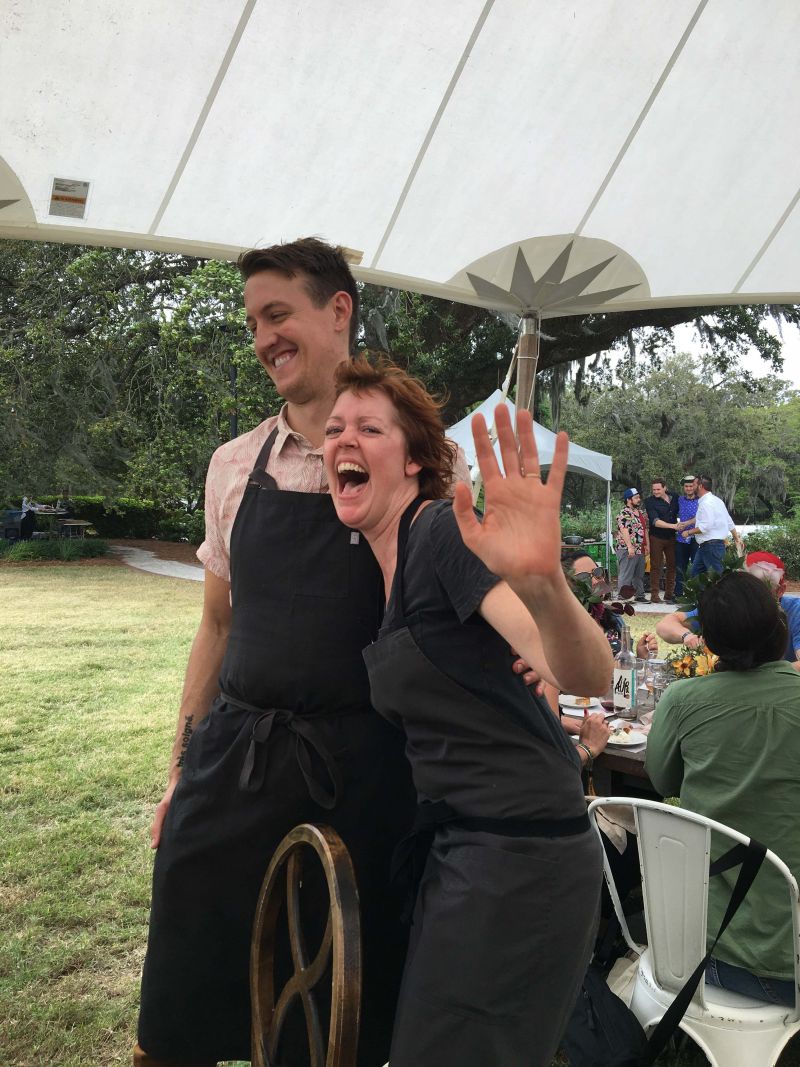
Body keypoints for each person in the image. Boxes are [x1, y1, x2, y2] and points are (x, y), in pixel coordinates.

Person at [135, 238, 469, 1067]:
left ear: (339, 311)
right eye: (253, 323)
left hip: (360, 774)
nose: (262, 339)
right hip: (236, 765)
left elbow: (451, 619)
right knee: (181, 996)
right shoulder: (233, 464)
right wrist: (181, 768)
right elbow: (216, 624)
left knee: (335, 1019)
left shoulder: (421, 464)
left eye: (277, 314)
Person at [323, 358, 612, 1067]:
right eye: (333, 429)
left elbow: (582, 670)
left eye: (368, 427)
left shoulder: (440, 535)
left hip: (520, 861)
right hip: (468, 850)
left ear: (417, 460)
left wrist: (546, 588)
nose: (342, 441)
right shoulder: (382, 571)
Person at [647, 571, 800, 1006]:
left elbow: (662, 782)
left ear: (709, 643)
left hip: (708, 954)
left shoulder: (683, 700)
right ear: (781, 628)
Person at [656, 550, 800, 670]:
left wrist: (761, 678)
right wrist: (687, 636)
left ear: (781, 590)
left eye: (760, 589)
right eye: (745, 587)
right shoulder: (730, 606)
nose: (751, 595)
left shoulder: (796, 610)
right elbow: (665, 625)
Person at [683, 475, 742, 575]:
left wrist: (688, 532)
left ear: (700, 486)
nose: (692, 487)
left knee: (718, 579)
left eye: (694, 485)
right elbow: (729, 521)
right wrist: (736, 538)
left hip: (711, 547)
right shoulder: (717, 501)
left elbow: (705, 527)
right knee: (696, 578)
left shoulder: (706, 503)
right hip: (707, 547)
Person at [643, 479, 681, 603]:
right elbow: (655, 521)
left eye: (658, 489)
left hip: (671, 538)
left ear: (665, 488)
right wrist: (673, 526)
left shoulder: (675, 497)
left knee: (672, 565)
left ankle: (669, 594)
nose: (656, 492)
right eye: (654, 490)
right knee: (656, 566)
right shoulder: (649, 501)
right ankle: (655, 595)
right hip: (656, 537)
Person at [615, 488, 648, 601]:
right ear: (629, 499)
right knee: (626, 572)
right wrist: (629, 547)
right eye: (636, 498)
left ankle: (639, 595)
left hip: (639, 548)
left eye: (639, 497)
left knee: (638, 574)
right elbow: (624, 530)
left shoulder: (640, 513)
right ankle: (622, 596)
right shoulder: (624, 513)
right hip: (626, 548)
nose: (639, 500)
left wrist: (646, 545)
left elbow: (644, 530)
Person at [674, 474, 699, 596]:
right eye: (686, 486)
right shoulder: (679, 500)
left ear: (694, 487)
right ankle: (678, 594)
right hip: (681, 538)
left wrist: (687, 523)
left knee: (696, 566)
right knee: (680, 567)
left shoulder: (701, 501)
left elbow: (702, 517)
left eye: (690, 486)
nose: (688, 488)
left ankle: (695, 594)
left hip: (696, 538)